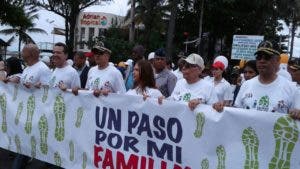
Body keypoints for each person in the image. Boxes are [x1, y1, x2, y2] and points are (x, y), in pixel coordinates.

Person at [234, 41, 300, 119]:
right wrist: (221, 108)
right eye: (259, 57)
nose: (262, 61)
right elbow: (236, 115)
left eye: (267, 57)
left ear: (278, 60)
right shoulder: (246, 85)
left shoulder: (292, 89)